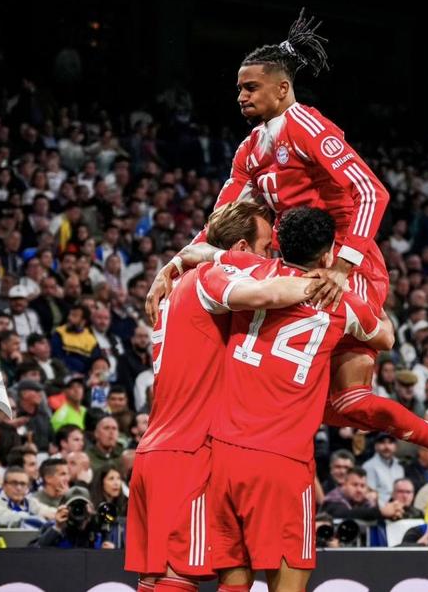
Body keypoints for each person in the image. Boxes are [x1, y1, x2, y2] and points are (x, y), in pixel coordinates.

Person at [145, 11, 428, 455]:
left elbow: (371, 192)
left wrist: (342, 268)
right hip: (291, 264)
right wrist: (175, 261)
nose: (240, 96)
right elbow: (219, 220)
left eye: (250, 87)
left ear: (282, 88)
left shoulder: (308, 127)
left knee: (349, 399)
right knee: (289, 389)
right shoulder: (248, 150)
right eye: (239, 88)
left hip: (341, 259)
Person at [126, 202, 320, 592]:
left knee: (169, 574)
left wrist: (182, 258)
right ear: (243, 247)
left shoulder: (176, 287)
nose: (271, 258)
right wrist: (326, 282)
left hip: (157, 448)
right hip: (188, 451)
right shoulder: (209, 278)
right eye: (266, 249)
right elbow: (265, 294)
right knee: (177, 577)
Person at [200, 207, 396, 592]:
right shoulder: (341, 301)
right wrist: (355, 285)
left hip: (225, 451)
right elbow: (386, 336)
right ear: (327, 255)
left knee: (233, 582)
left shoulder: (252, 273)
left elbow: (209, 255)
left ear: (278, 245)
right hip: (283, 460)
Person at [321, 466, 404, 522]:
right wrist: (380, 512)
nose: (359, 490)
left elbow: (369, 514)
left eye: (362, 486)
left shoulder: (367, 501)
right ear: (344, 485)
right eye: (355, 485)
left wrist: (393, 513)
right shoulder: (332, 500)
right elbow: (346, 514)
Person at [363, 432, 405, 505]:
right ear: (376, 446)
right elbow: (370, 494)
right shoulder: (368, 466)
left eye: (390, 442)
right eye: (382, 442)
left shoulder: (400, 465)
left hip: (399, 506)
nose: (387, 446)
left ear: (396, 447)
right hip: (379, 508)